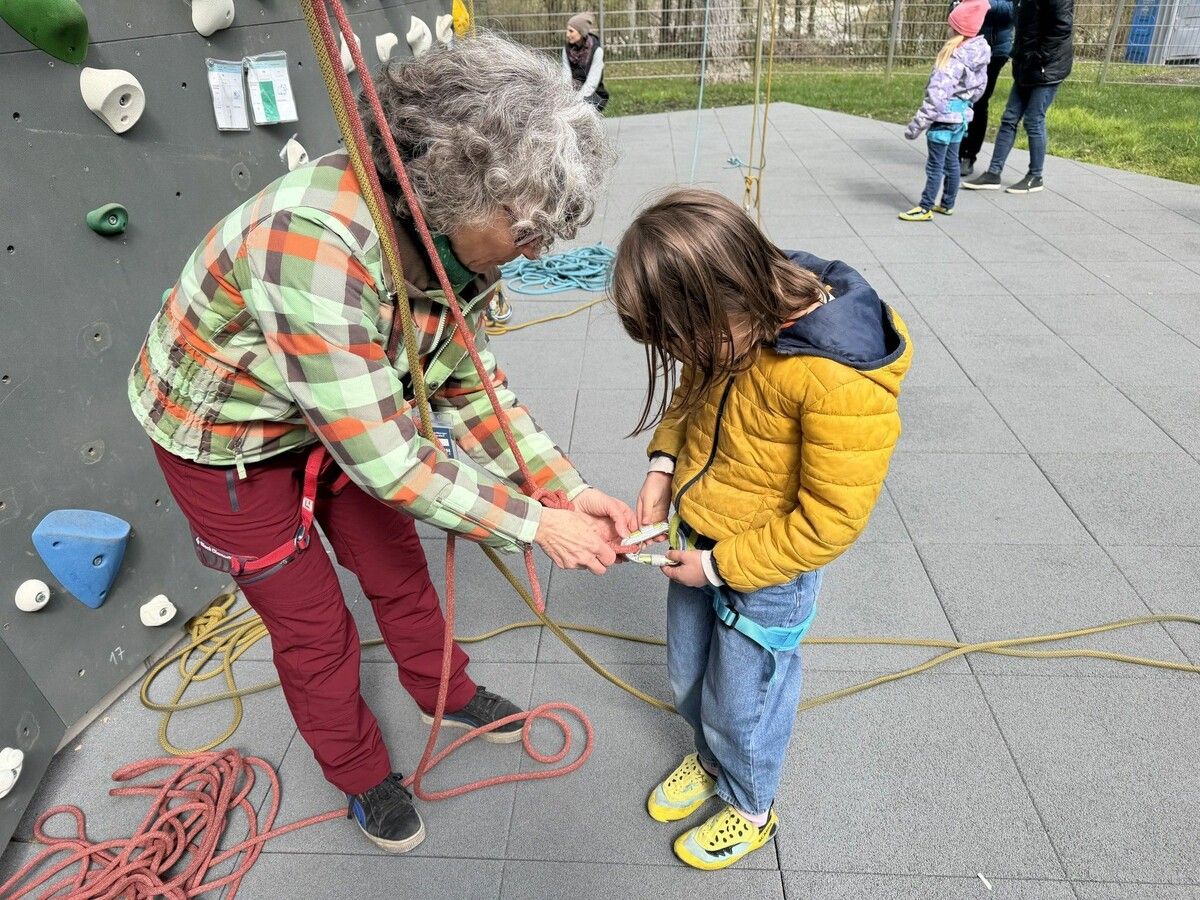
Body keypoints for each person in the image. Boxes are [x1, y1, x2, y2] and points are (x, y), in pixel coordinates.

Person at [128, 34, 629, 855]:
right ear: (465, 188)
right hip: (227, 443)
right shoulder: (314, 242)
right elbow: (393, 464)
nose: (537, 250)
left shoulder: (445, 239)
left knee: (397, 567)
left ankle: (444, 691)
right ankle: (359, 771)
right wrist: (540, 527)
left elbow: (469, 387)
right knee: (316, 628)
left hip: (345, 411)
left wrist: (565, 490)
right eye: (528, 228)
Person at [611, 189, 912, 870]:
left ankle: (751, 805)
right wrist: (663, 468)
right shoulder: (728, 322)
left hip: (766, 572)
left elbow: (830, 522)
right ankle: (710, 760)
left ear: (731, 300)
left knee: (743, 701)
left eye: (686, 339)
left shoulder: (837, 380)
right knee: (690, 674)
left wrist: (719, 570)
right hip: (700, 535)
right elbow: (693, 390)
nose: (685, 355)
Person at [963, 0, 1074, 193]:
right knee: (1009, 118)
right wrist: (1020, 54)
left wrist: (1037, 57)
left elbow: (1061, 29)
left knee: (1033, 120)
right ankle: (993, 173)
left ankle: (1035, 175)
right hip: (1026, 63)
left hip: (1047, 66)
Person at [899, 0, 991, 222]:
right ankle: (948, 203)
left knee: (935, 166)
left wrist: (916, 126)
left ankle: (925, 207)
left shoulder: (951, 58)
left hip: (943, 119)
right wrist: (964, 103)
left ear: (957, 28)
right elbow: (980, 90)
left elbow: (936, 98)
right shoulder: (979, 55)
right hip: (961, 118)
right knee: (952, 162)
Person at [958, 0, 1015, 176]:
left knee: (979, 102)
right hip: (966, 44)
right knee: (959, 98)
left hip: (994, 51)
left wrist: (983, 2)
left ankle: (968, 155)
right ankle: (954, 150)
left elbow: (1011, 10)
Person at [562, 12, 608, 111]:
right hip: (572, 92)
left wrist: (576, 101)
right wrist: (567, 98)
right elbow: (565, 75)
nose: (567, 34)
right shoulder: (566, 50)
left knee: (583, 110)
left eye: (571, 31)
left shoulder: (597, 51)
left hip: (594, 94)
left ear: (581, 32)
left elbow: (592, 83)